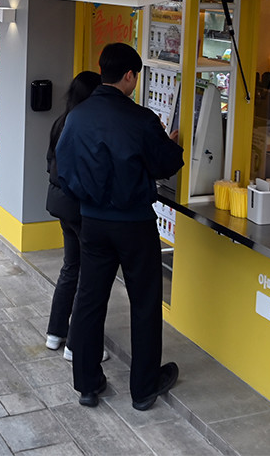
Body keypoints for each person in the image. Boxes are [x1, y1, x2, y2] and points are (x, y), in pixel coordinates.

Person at [56, 42, 184, 410]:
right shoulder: (142, 119)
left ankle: (87, 383)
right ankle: (143, 389)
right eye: (136, 77)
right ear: (129, 75)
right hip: (135, 224)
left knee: (90, 299)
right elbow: (165, 164)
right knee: (144, 302)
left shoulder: (78, 116)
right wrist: (170, 143)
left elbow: (63, 167)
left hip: (92, 222)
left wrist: (87, 197)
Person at [43, 71, 105, 359]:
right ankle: (77, 345)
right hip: (80, 208)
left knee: (71, 267)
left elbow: (50, 164)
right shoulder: (86, 124)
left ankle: (56, 333)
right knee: (88, 275)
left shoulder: (61, 121)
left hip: (60, 204)